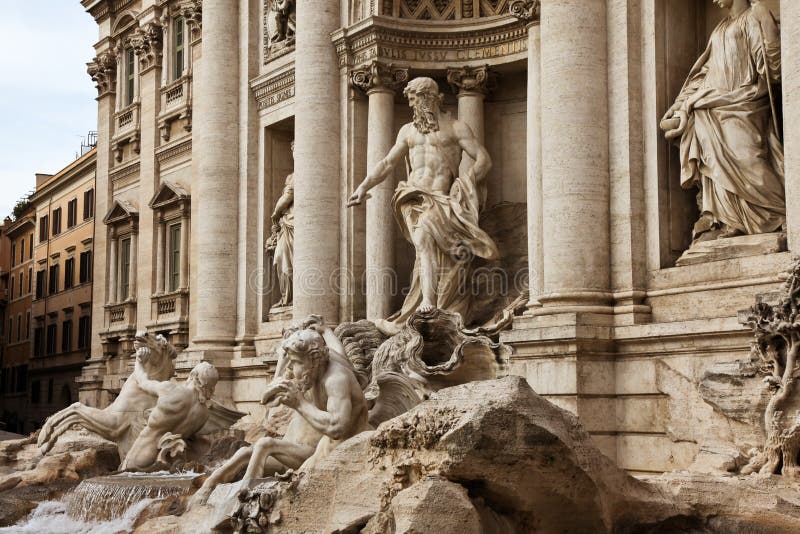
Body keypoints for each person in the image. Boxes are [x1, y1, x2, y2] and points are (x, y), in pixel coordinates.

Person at [347, 77, 498, 332]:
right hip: (412, 196)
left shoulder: (456, 128)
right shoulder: (407, 131)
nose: (412, 105)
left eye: (415, 100)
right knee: (422, 241)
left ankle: (435, 302)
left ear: (428, 97)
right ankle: (427, 301)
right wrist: (363, 188)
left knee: (436, 250)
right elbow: (386, 164)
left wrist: (466, 182)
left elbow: (483, 159)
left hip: (441, 198)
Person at [190, 328, 368, 506]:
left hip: (338, 454)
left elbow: (337, 428)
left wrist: (298, 403)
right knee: (245, 452)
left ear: (313, 360)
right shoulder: (315, 372)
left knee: (265, 444)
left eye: (295, 362)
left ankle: (244, 496)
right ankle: (208, 487)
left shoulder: (336, 379)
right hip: (319, 448)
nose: (290, 367)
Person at [660, 0, 784, 243]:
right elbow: (705, 73)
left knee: (748, 158)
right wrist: (680, 104)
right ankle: (730, 220)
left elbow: (771, 65)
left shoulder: (755, 14)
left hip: (745, 100)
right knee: (715, 162)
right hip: (712, 104)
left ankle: (779, 212)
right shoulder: (719, 29)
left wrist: (770, 39)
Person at [121, 361, 219, 471]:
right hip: (167, 462)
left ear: (193, 375)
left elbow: (142, 382)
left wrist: (139, 361)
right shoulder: (204, 414)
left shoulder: (171, 390)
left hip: (142, 455)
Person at [266, 141, 294, 307]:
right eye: (292, 150)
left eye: (296, 150)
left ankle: (291, 298)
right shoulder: (290, 176)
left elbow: (288, 196)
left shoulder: (297, 176)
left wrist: (275, 213)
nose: (294, 154)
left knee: (288, 258)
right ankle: (286, 297)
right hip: (287, 223)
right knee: (280, 257)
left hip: (293, 222)